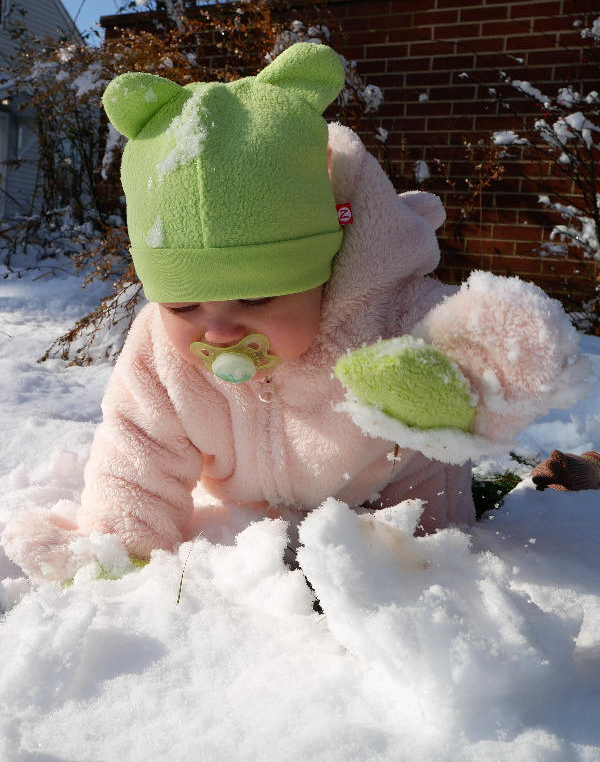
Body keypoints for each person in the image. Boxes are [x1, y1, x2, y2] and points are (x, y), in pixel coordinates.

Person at [1, 43, 589, 581]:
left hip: (400, 496)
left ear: (325, 267)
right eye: (183, 303)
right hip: (247, 521)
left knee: (428, 537)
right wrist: (119, 549)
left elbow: (490, 351)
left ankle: (435, 569)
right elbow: (137, 451)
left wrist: (459, 384)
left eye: (257, 298)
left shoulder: (385, 310)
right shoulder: (160, 351)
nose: (221, 330)